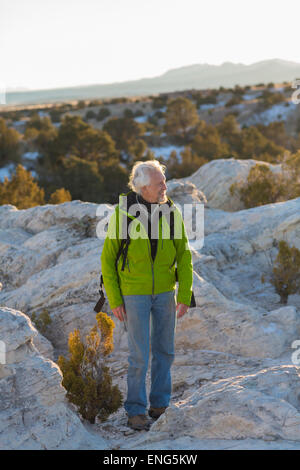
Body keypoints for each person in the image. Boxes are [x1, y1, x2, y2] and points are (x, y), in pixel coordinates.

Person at [101, 160, 193, 431]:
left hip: (166, 292)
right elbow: (108, 261)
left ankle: (160, 404)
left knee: (165, 351)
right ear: (143, 187)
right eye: (159, 183)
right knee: (139, 355)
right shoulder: (123, 215)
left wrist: (185, 293)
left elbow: (184, 254)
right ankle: (135, 410)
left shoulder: (171, 212)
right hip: (134, 294)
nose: (165, 186)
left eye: (164, 181)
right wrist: (116, 300)